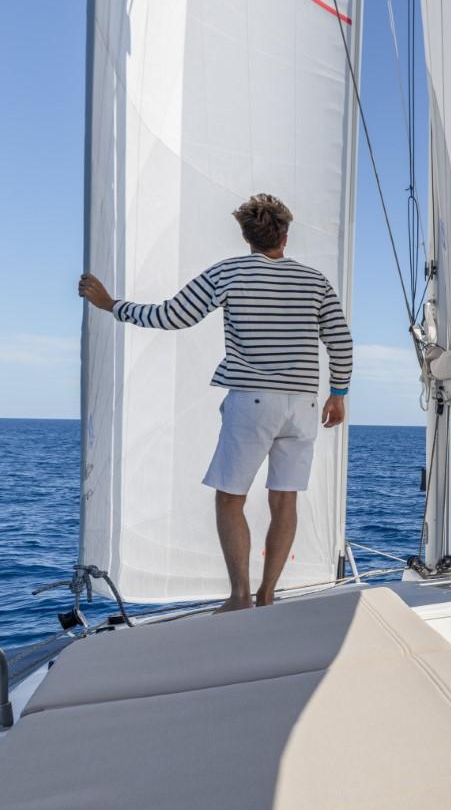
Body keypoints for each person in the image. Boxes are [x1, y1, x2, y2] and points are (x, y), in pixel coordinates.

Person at [78, 194, 353, 612]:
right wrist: (338, 394)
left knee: (230, 498)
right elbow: (341, 342)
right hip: (303, 405)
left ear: (246, 236)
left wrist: (111, 305)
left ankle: (241, 596)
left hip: (252, 401)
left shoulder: (230, 272)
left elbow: (172, 315)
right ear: (285, 235)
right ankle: (267, 594)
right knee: (285, 500)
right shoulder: (315, 281)